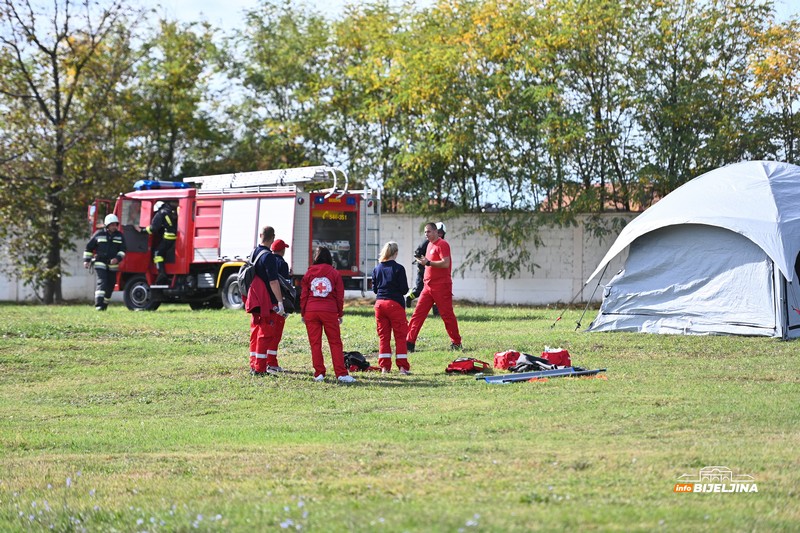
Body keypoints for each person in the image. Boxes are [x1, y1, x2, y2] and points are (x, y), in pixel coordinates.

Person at [301, 246, 355, 383]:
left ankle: (319, 373)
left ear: (316, 257)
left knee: (315, 343)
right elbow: (339, 295)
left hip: (311, 311)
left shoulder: (309, 273)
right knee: (335, 342)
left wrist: (303, 312)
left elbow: (304, 295)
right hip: (329, 311)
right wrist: (340, 312)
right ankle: (341, 373)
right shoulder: (334, 273)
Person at [405, 222, 462, 352]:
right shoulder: (429, 245)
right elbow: (429, 264)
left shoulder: (443, 244)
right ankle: (409, 342)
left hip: (441, 286)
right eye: (425, 232)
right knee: (417, 314)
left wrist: (428, 262)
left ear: (436, 232)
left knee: (447, 315)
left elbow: (445, 263)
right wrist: (423, 263)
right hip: (428, 286)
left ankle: (456, 342)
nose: (426, 234)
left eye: (429, 231)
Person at [244, 226, 287, 376]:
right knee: (265, 334)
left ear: (261, 235)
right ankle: (260, 369)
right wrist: (280, 302)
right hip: (266, 301)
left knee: (255, 333)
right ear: (273, 237)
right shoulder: (268, 256)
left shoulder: (253, 252)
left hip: (254, 299)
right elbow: (273, 281)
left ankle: (253, 365)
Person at [372, 241, 411, 374]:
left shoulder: (376, 269)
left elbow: (374, 289)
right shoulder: (399, 268)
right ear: (396, 253)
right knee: (400, 336)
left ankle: (384, 368)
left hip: (379, 305)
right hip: (394, 304)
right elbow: (404, 289)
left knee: (384, 337)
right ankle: (402, 368)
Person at [83, 214, 127, 311]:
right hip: (100, 262)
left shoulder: (120, 236)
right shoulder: (98, 234)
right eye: (112, 225)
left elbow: (123, 250)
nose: (114, 226)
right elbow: (89, 247)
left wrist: (117, 258)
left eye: (115, 224)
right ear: (107, 225)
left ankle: (104, 305)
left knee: (111, 284)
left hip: (113, 263)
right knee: (102, 281)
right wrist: (86, 260)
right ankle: (98, 305)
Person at [406, 222, 447, 317]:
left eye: (442, 233)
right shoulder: (427, 242)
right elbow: (417, 253)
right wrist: (423, 263)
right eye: (438, 232)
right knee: (419, 290)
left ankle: (436, 313)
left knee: (437, 291)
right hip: (423, 270)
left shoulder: (442, 244)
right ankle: (409, 298)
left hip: (435, 271)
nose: (440, 234)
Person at [266, 238, 291, 372]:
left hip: (266, 303)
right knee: (276, 334)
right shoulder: (282, 264)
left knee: (266, 334)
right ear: (282, 250)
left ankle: (263, 361)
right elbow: (285, 287)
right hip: (278, 303)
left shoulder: (267, 259)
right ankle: (272, 363)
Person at [142, 201, 178, 285]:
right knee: (163, 252)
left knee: (157, 253)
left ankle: (161, 274)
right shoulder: (171, 211)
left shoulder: (160, 213)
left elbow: (153, 229)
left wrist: (142, 230)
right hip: (175, 237)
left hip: (168, 236)